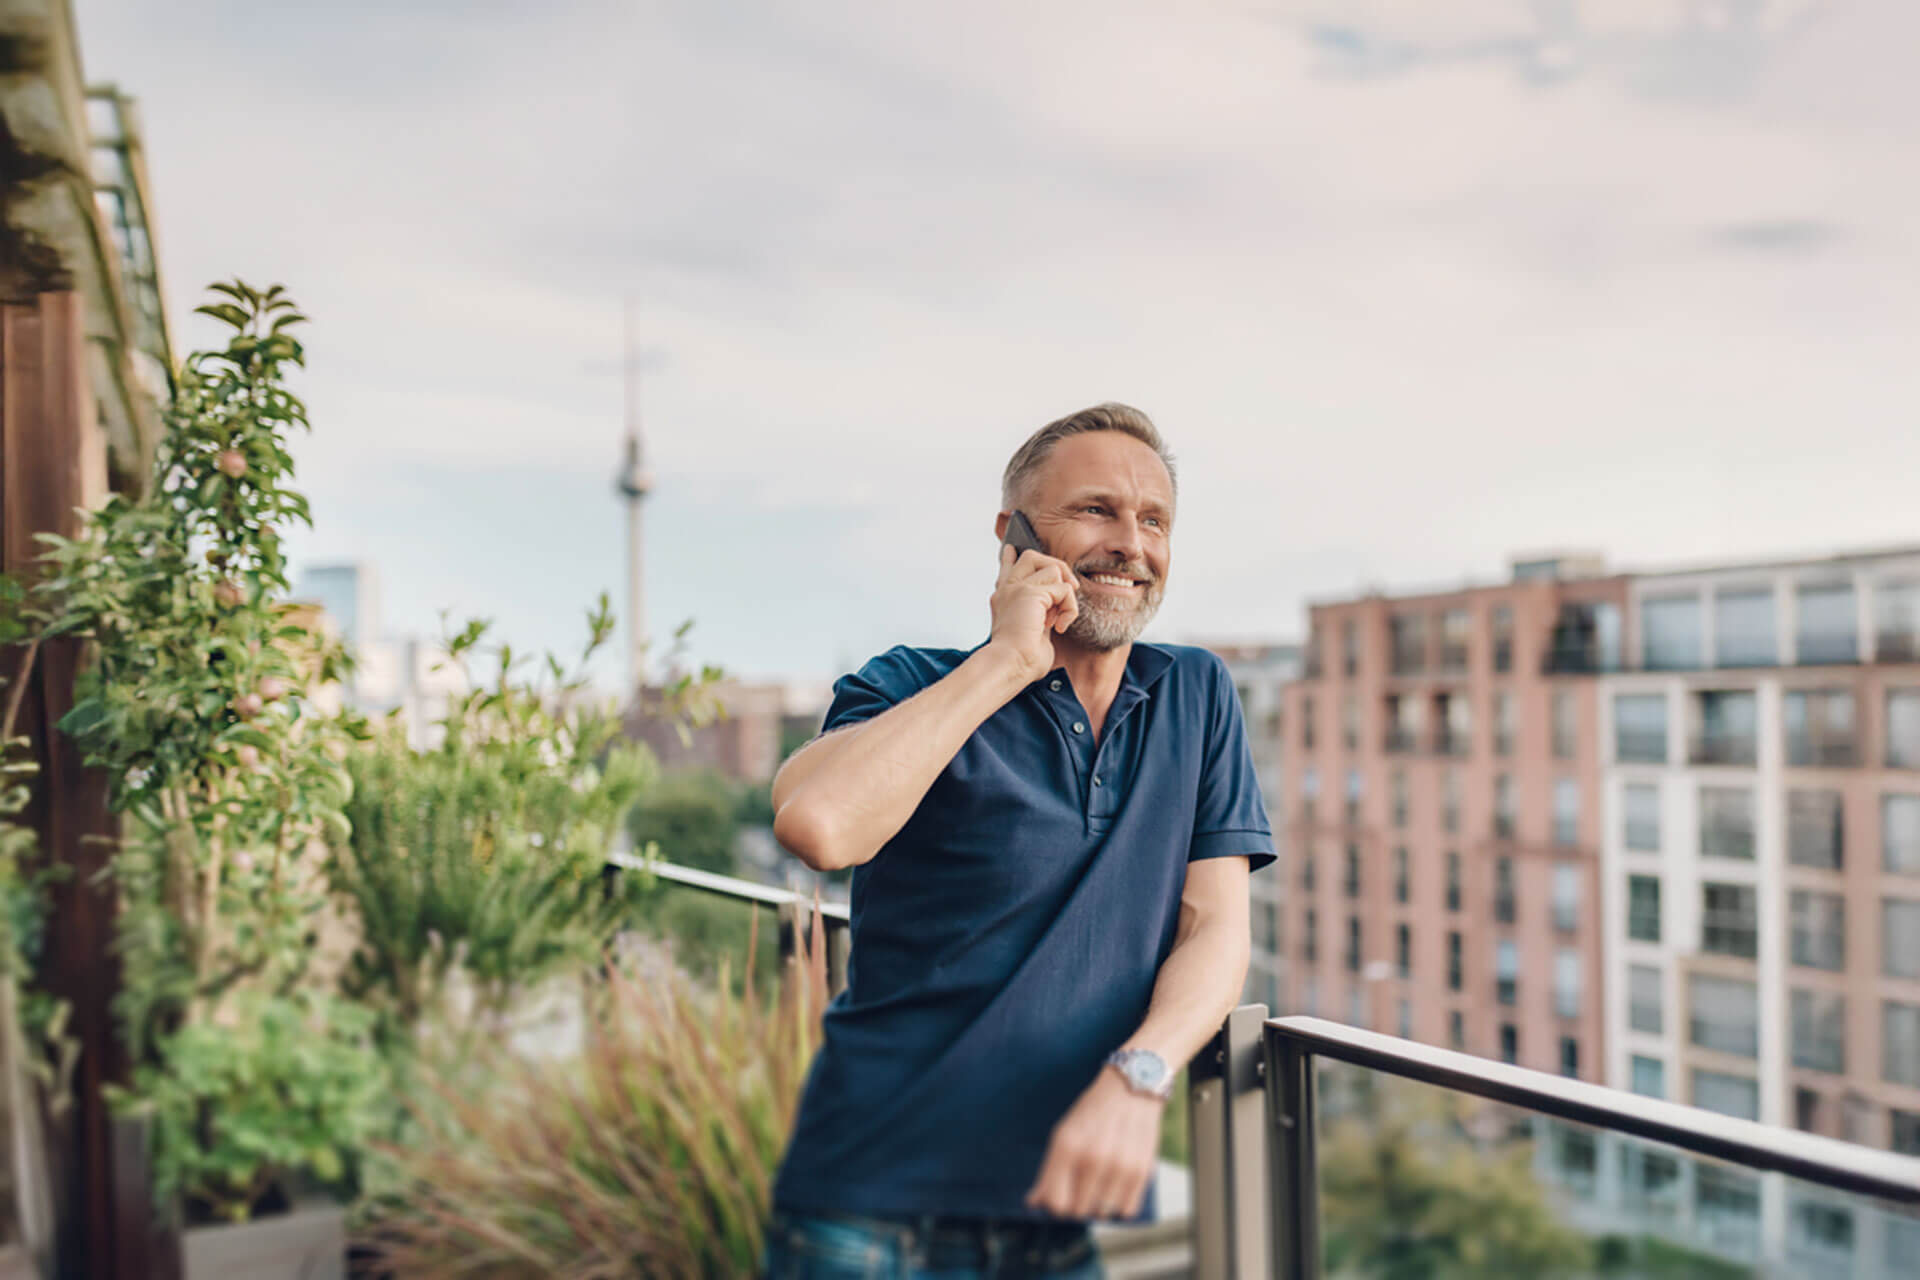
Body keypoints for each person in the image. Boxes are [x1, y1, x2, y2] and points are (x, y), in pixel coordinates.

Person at [761, 403, 1274, 1279]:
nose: (1129, 543)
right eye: (1095, 511)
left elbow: (1214, 929)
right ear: (1014, 536)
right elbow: (819, 826)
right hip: (872, 1210)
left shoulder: (1195, 692)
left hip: (1056, 1216)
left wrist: (1139, 1076)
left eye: (1153, 521)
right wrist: (1006, 660)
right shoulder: (912, 684)